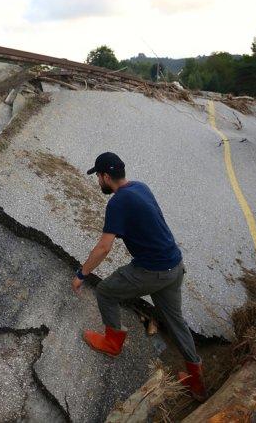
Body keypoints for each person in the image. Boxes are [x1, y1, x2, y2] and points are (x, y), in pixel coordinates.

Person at [72, 152, 206, 401]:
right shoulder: (140, 187)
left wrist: (82, 273)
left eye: (98, 177)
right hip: (174, 265)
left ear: (105, 176)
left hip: (152, 270)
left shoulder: (117, 203)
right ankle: (196, 380)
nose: (98, 182)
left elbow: (104, 247)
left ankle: (112, 344)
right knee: (175, 321)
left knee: (106, 292)